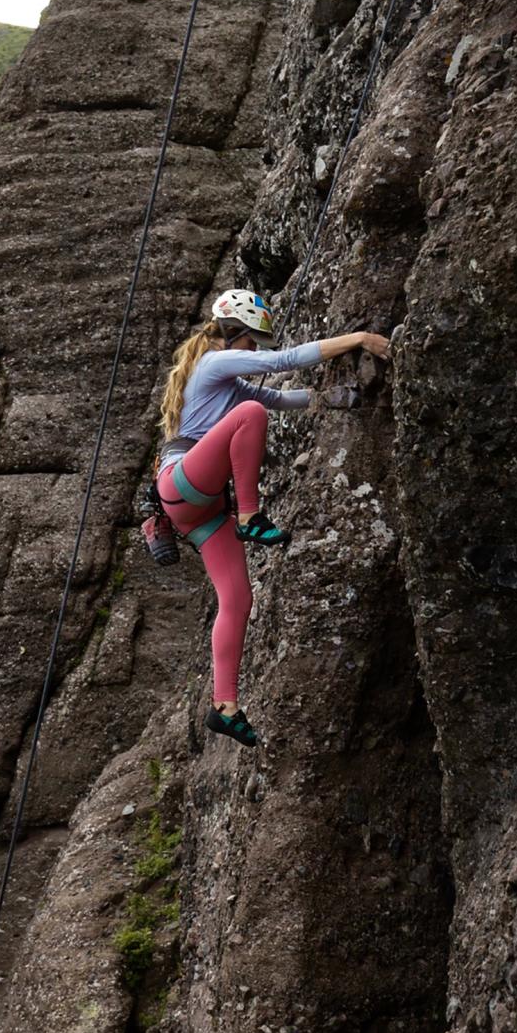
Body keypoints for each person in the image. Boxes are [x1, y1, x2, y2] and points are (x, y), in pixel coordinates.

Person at [143, 288, 391, 746]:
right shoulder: (215, 362)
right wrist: (358, 338)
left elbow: (284, 399)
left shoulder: (226, 382)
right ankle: (251, 516)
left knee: (237, 600)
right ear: (236, 332)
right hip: (184, 480)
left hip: (198, 508)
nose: (255, 349)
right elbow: (284, 362)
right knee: (251, 414)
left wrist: (331, 397)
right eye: (254, 339)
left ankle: (225, 705)